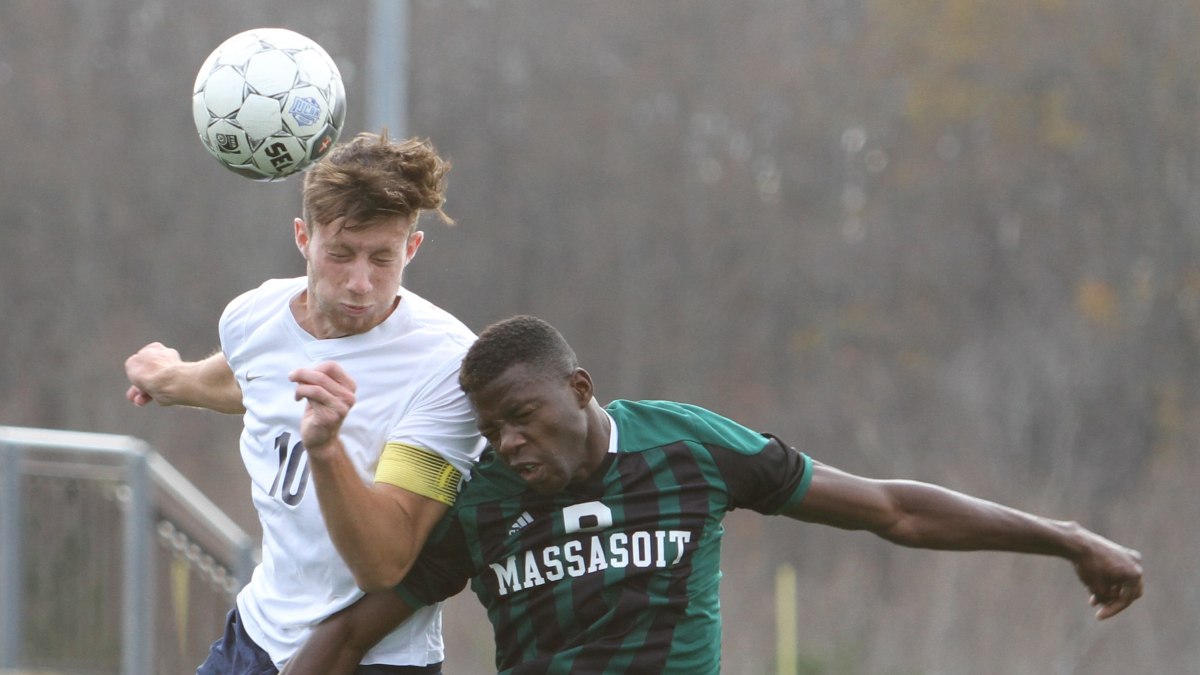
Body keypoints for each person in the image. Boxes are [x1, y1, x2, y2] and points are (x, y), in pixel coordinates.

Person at [280, 315, 1145, 675]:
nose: (508, 441)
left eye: (522, 417)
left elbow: (892, 507)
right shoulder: (484, 502)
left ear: (579, 388)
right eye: (491, 427)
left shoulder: (687, 447)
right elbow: (354, 627)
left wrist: (1066, 536)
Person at [123, 131, 485, 674]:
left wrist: (326, 448)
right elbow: (239, 383)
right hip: (254, 639)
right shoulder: (253, 316)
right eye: (340, 254)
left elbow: (384, 564)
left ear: (411, 248)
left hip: (376, 661)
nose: (361, 283)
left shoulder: (448, 367)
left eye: (382, 258)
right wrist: (168, 378)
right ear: (303, 238)